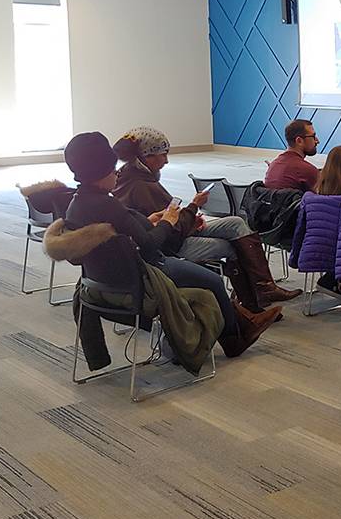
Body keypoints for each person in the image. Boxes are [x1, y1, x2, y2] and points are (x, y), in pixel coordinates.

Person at [61, 132, 280, 357]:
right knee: (213, 280)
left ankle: (245, 319)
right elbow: (150, 245)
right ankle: (234, 339)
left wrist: (150, 221)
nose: (117, 172)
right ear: (100, 172)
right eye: (112, 168)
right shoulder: (110, 204)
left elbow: (128, 226)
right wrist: (167, 221)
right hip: (142, 276)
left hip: (100, 284)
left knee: (214, 263)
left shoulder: (77, 205)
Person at [111, 126, 300, 310]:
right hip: (171, 247)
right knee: (232, 246)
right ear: (146, 156)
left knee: (235, 223)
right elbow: (169, 230)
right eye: (163, 154)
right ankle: (252, 304)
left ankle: (263, 289)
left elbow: (169, 219)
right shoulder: (142, 187)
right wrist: (193, 207)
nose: (166, 161)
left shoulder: (133, 180)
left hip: (177, 233)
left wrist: (191, 217)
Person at [265, 119, 320, 191]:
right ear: (299, 141)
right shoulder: (307, 170)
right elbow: (324, 197)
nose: (317, 141)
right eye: (313, 136)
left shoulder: (274, 165)